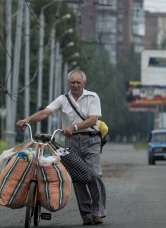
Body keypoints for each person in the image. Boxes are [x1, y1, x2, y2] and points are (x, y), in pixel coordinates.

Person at [16, 69, 106, 225]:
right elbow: (45, 112)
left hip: (91, 141)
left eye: (78, 82)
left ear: (84, 83)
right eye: (73, 82)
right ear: (68, 83)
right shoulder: (62, 99)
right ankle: (86, 215)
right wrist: (27, 120)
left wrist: (74, 127)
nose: (76, 85)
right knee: (79, 177)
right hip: (71, 143)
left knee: (93, 175)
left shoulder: (93, 97)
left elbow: (92, 120)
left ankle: (96, 212)